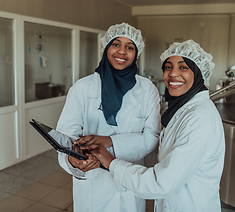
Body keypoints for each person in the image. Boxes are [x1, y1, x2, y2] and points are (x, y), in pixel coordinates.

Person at [90, 39, 226, 212]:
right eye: (168, 67)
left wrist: (110, 162)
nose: (172, 74)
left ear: (198, 73)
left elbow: (161, 183)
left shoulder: (200, 118)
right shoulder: (181, 109)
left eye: (183, 67)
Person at [50, 22, 161, 212]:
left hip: (129, 182)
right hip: (94, 184)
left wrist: (109, 141)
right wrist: (72, 161)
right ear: (106, 48)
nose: (122, 52)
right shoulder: (83, 87)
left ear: (136, 53)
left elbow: (152, 138)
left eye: (130, 47)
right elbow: (65, 136)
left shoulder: (147, 89)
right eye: (116, 44)